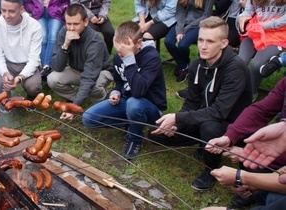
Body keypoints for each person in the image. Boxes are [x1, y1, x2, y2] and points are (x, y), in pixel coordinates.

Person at [149, 16, 253, 191]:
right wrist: (178, 122)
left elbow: (220, 111)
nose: (203, 46)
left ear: (224, 43)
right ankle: (203, 144)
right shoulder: (197, 64)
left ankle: (211, 170)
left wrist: (178, 117)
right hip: (205, 116)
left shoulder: (236, 68)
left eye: (210, 41)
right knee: (156, 133)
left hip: (231, 125)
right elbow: (192, 101)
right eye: (200, 40)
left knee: (209, 128)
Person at [82, 21, 166, 159]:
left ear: (138, 43)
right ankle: (131, 122)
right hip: (127, 101)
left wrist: (129, 59)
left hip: (149, 106)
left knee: (134, 103)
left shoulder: (152, 58)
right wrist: (116, 92)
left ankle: (135, 138)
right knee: (88, 118)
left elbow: (139, 91)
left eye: (124, 50)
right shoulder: (118, 57)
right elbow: (120, 81)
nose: (120, 54)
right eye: (118, 49)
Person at [207, 77, 286, 207]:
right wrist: (229, 137)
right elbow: (262, 110)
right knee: (252, 161)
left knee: (275, 198)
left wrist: (241, 177)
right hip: (278, 151)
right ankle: (258, 193)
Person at [47, 3, 113, 120]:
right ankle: (78, 98)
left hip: (101, 71)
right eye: (69, 23)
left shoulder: (94, 41)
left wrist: (74, 108)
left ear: (86, 22)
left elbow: (89, 77)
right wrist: (65, 45)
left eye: (76, 24)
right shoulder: (64, 32)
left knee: (92, 86)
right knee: (52, 78)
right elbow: (57, 67)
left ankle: (103, 102)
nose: (71, 28)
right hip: (77, 70)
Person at [237, 0, 286, 101]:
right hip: (255, 32)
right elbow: (248, 11)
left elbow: (284, 20)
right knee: (240, 62)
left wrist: (264, 25)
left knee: (257, 65)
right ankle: (236, 90)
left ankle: (251, 93)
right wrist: (241, 19)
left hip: (277, 35)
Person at [164, 0, 216, 83]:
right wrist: (180, 28)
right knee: (169, 42)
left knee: (182, 44)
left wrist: (185, 30)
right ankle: (184, 65)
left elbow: (207, 15)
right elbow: (180, 10)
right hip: (184, 21)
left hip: (200, 23)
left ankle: (187, 67)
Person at [0, 0, 42, 100]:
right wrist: (5, 73)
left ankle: (30, 99)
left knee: (33, 86)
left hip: (27, 62)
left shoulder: (34, 26)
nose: (6, 16)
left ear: (21, 10)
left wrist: (19, 78)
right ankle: (6, 97)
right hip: (8, 63)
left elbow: (34, 59)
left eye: (11, 11)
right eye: (3, 10)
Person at [24, 0, 69, 79]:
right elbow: (27, 0)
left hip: (55, 12)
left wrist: (60, 9)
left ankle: (46, 66)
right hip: (39, 13)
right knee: (42, 36)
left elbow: (66, 0)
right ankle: (46, 67)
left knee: (53, 36)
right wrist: (32, 9)